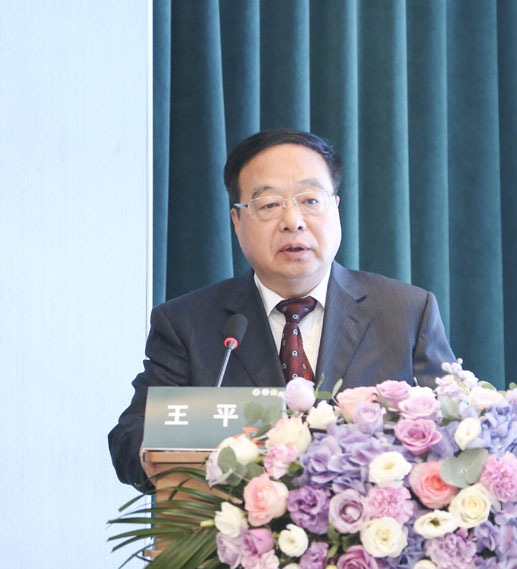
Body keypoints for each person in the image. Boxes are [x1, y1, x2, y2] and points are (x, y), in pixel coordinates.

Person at [108, 129, 455, 492]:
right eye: (269, 204)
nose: (293, 221)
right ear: (237, 222)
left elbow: (454, 434)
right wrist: (167, 451)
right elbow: (130, 440)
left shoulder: (406, 312)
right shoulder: (186, 324)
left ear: (335, 208)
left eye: (310, 200)